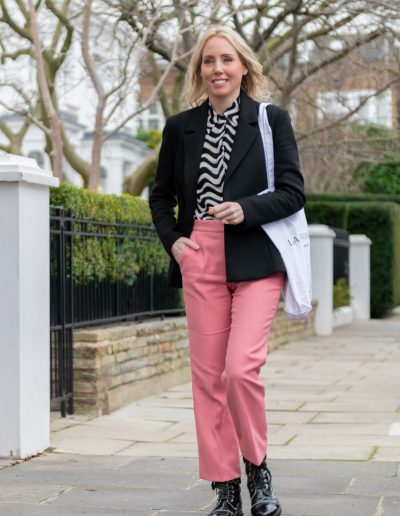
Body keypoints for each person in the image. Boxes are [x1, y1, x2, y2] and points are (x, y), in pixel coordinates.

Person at [149, 25, 305, 516]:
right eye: (209, 61)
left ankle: (258, 470)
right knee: (208, 378)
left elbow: (293, 192)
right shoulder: (181, 127)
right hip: (200, 256)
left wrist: (245, 210)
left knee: (240, 370)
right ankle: (225, 489)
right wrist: (176, 244)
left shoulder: (270, 120)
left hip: (256, 257)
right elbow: (160, 196)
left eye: (227, 60)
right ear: (200, 71)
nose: (218, 69)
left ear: (244, 67)